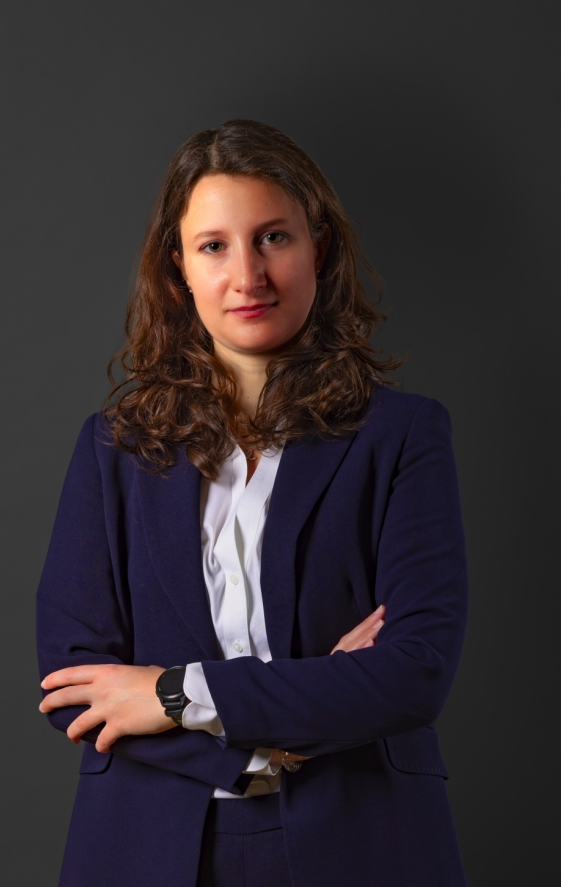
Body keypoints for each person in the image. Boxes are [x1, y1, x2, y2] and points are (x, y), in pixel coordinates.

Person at [36, 119, 468, 887]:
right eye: (214, 246)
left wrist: (171, 692)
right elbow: (77, 684)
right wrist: (279, 734)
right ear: (179, 269)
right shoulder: (113, 448)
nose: (248, 275)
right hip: (146, 848)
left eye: (273, 237)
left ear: (318, 248)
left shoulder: (403, 435)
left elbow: (414, 670)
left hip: (363, 840)